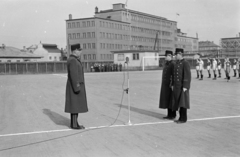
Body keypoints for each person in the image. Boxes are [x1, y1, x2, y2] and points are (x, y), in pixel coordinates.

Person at [65, 43, 88, 129]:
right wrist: (77, 87)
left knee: (76, 105)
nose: (80, 52)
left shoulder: (73, 59)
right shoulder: (73, 60)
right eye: (79, 50)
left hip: (75, 85)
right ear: (75, 51)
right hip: (75, 86)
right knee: (75, 105)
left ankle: (75, 123)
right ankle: (74, 124)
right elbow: (74, 75)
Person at [172, 48, 191, 124]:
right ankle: (180, 117)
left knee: (183, 103)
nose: (175, 56)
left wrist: (185, 86)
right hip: (177, 86)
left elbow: (187, 75)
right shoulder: (177, 63)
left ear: (180, 54)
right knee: (178, 102)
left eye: (176, 54)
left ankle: (183, 118)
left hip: (182, 87)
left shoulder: (185, 63)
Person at [159, 50, 176, 120]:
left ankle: (173, 114)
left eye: (166, 56)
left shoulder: (173, 64)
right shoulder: (166, 64)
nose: (165, 57)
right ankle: (169, 114)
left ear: (170, 56)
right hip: (165, 85)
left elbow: (174, 75)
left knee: (171, 100)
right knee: (167, 100)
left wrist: (172, 84)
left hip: (170, 85)